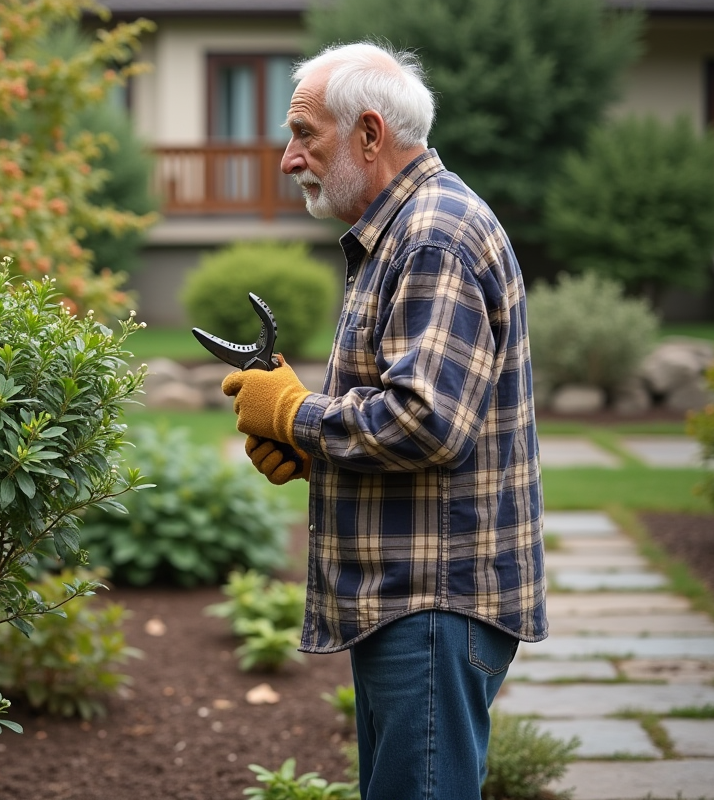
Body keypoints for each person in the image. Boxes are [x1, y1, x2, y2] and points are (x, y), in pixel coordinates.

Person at [221, 42, 547, 800]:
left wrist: (295, 415)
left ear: (369, 135)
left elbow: (425, 422)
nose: (288, 159)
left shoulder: (432, 237)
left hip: (431, 604)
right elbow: (420, 413)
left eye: (305, 135)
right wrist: (318, 451)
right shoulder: (404, 230)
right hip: (415, 602)